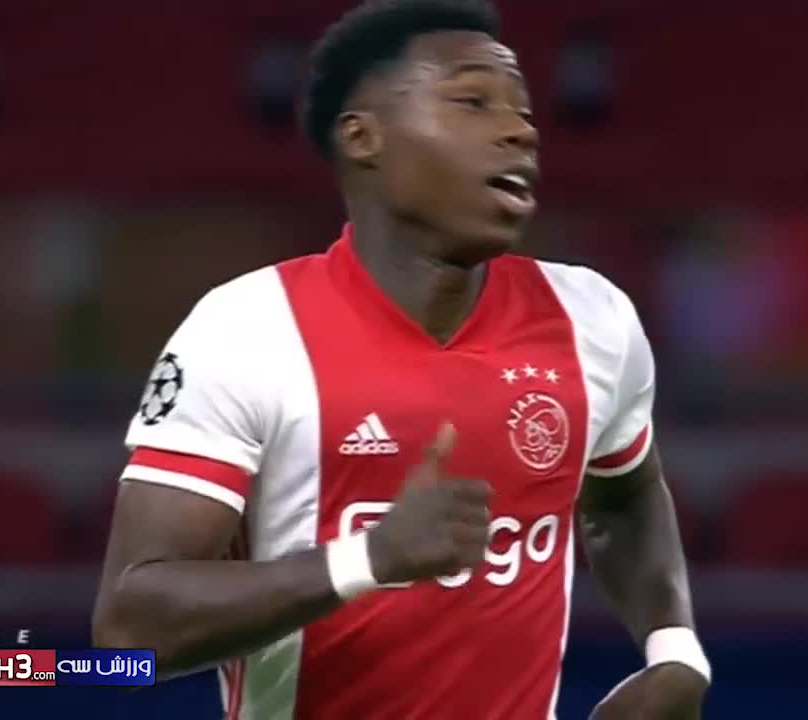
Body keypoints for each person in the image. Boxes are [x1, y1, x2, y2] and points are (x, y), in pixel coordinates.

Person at [92, 1, 710, 717]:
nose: (520, 130)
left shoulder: (594, 319)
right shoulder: (246, 331)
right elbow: (127, 634)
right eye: (474, 101)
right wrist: (369, 558)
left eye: (522, 111)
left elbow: (626, 497)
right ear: (364, 137)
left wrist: (675, 648)